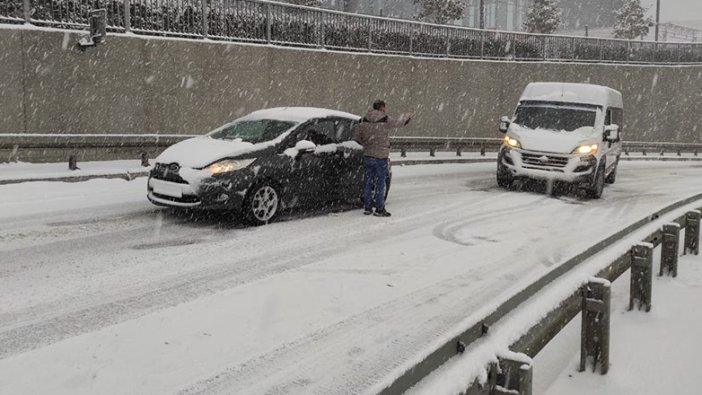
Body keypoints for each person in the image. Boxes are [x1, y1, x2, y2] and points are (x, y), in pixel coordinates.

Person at [353, 100, 413, 217]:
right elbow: (399, 123)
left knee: (368, 182)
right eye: (384, 108)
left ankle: (367, 207)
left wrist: (367, 144)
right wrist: (407, 117)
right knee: (380, 183)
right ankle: (379, 209)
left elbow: (357, 137)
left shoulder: (362, 120)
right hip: (381, 156)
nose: (385, 110)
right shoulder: (385, 119)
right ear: (381, 108)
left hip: (368, 155)